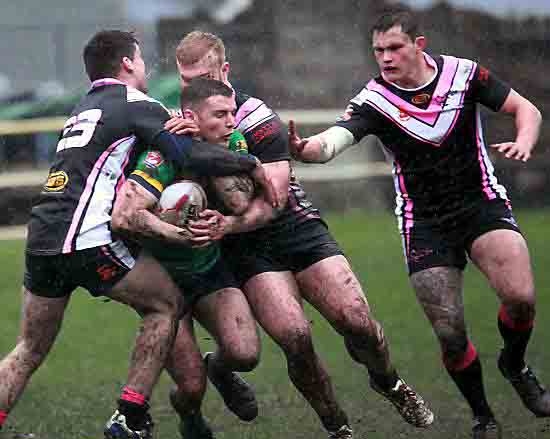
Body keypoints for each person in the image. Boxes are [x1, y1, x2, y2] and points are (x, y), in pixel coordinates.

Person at [0, 30, 276, 439]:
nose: (146, 65)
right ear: (128, 64)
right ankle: (129, 417)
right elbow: (184, 153)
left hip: (43, 234)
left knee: (29, 349)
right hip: (87, 237)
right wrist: (250, 163)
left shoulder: (82, 108)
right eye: (141, 58)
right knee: (165, 304)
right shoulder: (138, 104)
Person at [288, 10, 550, 439]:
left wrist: (523, 141)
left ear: (419, 44)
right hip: (424, 223)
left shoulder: (463, 76)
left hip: (481, 205)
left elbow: (526, 109)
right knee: (450, 333)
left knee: (520, 299)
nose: (385, 58)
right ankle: (483, 415)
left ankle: (515, 365)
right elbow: (335, 139)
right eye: (378, 51)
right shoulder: (375, 99)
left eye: (394, 48)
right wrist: (305, 148)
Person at [172, 31, 434, 439]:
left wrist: (228, 220)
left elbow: (274, 199)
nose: (195, 88)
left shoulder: (256, 117)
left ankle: (389, 383)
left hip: (295, 228)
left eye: (203, 76)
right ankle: (338, 428)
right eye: (186, 81)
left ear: (225, 71)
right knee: (295, 337)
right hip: (248, 251)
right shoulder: (174, 129)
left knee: (357, 321)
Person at [112, 78, 263, 439]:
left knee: (245, 354)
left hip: (210, 270)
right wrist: (168, 228)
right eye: (220, 114)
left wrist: (207, 150)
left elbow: (240, 203)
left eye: (232, 112)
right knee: (191, 388)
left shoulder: (235, 142)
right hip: (164, 279)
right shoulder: (160, 154)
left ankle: (221, 370)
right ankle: (189, 417)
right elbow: (126, 215)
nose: (231, 121)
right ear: (190, 116)